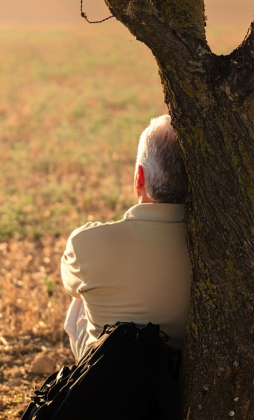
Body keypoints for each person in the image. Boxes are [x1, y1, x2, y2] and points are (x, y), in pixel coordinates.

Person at [61, 115, 191, 361]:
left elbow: (70, 285)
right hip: (180, 379)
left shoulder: (86, 243)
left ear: (139, 177)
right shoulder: (217, 249)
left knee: (80, 298)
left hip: (111, 381)